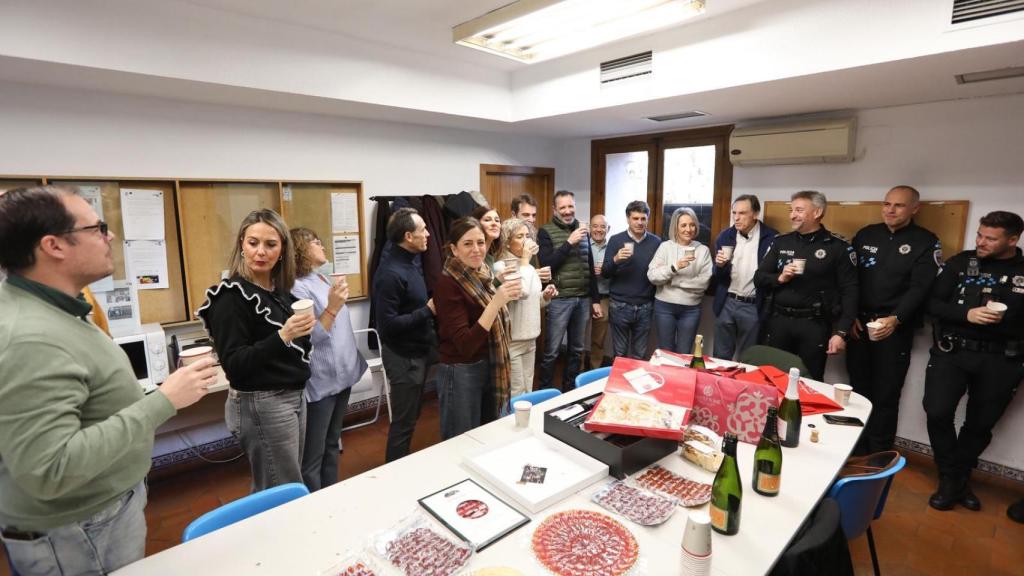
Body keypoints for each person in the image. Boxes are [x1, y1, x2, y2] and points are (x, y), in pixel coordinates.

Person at [0, 186, 215, 575]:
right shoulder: (28, 337)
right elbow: (50, 470)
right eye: (97, 227)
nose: (110, 236)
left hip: (97, 515)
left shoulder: (56, 307)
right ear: (54, 246)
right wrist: (163, 400)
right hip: (79, 531)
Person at [198, 209, 315, 492]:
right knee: (281, 488)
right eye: (253, 243)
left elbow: (294, 350)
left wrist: (301, 335)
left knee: (277, 482)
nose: (260, 252)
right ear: (241, 244)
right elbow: (235, 365)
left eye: (270, 244)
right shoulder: (230, 297)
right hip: (263, 402)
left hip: (293, 396)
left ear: (282, 250)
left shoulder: (280, 293)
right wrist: (283, 335)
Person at [923, 210, 1024, 512]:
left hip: (1002, 359)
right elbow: (932, 304)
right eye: (979, 234)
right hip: (954, 352)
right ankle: (952, 477)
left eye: (990, 238)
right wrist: (966, 314)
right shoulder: (961, 263)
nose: (981, 242)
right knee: (937, 411)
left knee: (980, 424)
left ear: (1013, 239)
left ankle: (955, 479)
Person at [847, 186, 939, 455]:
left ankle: (879, 453)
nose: (890, 209)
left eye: (898, 205)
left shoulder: (925, 241)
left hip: (894, 328)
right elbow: (850, 280)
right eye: (887, 203)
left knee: (886, 394)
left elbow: (920, 288)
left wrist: (896, 319)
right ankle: (855, 448)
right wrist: (849, 316)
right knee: (858, 391)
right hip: (860, 326)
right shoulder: (866, 235)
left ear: (914, 209)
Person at [290, 228, 368, 491]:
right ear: (301, 250)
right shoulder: (297, 287)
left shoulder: (322, 279)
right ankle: (313, 505)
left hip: (342, 378)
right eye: (315, 242)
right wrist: (333, 306)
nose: (322, 246)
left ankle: (330, 495)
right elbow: (310, 336)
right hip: (321, 383)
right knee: (313, 456)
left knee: (333, 443)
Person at [754, 190, 858, 381]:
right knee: (774, 377)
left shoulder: (838, 247)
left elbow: (850, 291)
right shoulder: (780, 242)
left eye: (799, 210)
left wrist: (842, 332)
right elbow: (759, 278)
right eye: (791, 210)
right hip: (779, 321)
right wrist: (780, 278)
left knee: (810, 380)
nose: (792, 215)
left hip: (814, 324)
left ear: (817, 212)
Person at [435, 218, 519, 439]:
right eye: (467, 244)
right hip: (460, 370)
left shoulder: (483, 274)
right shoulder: (447, 284)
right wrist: (496, 303)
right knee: (461, 440)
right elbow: (465, 345)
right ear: (453, 249)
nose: (476, 250)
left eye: (481, 243)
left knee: (485, 436)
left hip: (487, 365)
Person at [374, 208, 437, 462]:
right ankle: (393, 474)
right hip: (403, 357)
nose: (428, 234)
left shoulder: (410, 262)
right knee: (403, 424)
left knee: (411, 418)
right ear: (409, 236)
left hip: (417, 352)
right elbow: (387, 325)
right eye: (423, 229)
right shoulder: (391, 273)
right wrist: (428, 311)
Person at [538, 191, 602, 389]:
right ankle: (546, 393)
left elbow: (589, 265)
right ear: (555, 210)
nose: (567, 211)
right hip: (560, 300)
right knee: (552, 351)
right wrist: (568, 243)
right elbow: (547, 265)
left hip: (582, 300)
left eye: (570, 206)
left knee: (576, 350)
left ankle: (568, 391)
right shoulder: (545, 231)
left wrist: (596, 300)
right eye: (563, 207)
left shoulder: (583, 229)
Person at [494, 218, 558, 398]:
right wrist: (524, 261)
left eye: (527, 236)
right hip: (513, 340)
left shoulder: (527, 266)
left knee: (528, 387)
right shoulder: (502, 266)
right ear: (507, 242)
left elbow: (533, 299)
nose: (526, 240)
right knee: (516, 391)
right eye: (519, 236)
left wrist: (545, 296)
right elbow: (520, 292)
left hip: (531, 337)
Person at [711, 195, 777, 360]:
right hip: (727, 302)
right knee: (720, 357)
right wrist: (719, 266)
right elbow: (718, 276)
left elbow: (774, 275)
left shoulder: (772, 238)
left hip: (754, 305)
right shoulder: (725, 236)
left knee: (749, 358)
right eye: (734, 213)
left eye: (742, 213)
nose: (736, 217)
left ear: (755, 214)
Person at [602, 200, 662, 359]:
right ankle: (618, 384)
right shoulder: (615, 240)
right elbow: (605, 272)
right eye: (635, 218)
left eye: (643, 218)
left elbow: (659, 273)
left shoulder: (656, 242)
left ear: (648, 218)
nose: (639, 222)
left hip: (645, 306)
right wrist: (615, 259)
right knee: (620, 354)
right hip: (620, 305)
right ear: (628, 219)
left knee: (639, 355)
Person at [648, 207, 712, 353]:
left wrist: (674, 282)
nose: (688, 229)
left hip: (691, 309)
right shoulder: (665, 247)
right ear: (675, 227)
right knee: (666, 351)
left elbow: (704, 283)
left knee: (685, 352)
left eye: (692, 224)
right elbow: (653, 276)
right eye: (683, 225)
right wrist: (674, 267)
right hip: (664, 307)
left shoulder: (703, 250)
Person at [589, 215, 611, 369]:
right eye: (595, 226)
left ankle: (593, 371)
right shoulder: (582, 245)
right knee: (577, 338)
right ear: (590, 228)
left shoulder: (613, 248)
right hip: (584, 297)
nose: (598, 230)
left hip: (604, 298)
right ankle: (576, 372)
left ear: (608, 229)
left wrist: (606, 270)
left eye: (602, 226)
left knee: (598, 339)